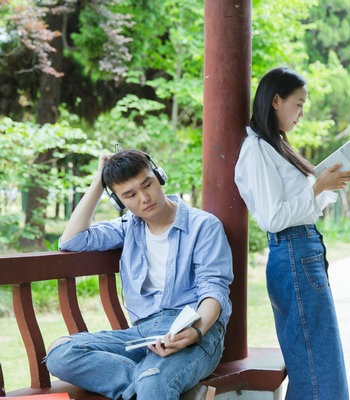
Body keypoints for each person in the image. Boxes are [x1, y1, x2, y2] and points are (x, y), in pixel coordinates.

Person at [45, 149, 233, 400]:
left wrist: (196, 331)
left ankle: (155, 382)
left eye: (148, 184)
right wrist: (98, 183)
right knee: (60, 354)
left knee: (153, 379)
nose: (144, 198)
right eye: (129, 195)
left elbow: (214, 290)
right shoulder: (127, 228)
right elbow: (71, 241)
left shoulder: (204, 226)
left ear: (159, 176)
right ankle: (156, 385)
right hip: (144, 334)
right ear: (119, 201)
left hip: (196, 330)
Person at [234, 67, 350, 400]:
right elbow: (274, 217)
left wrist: (327, 185)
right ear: (276, 100)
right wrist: (318, 186)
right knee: (318, 370)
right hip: (292, 251)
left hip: (302, 251)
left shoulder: (277, 146)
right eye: (298, 104)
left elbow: (300, 205)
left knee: (318, 363)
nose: (301, 114)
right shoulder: (256, 149)